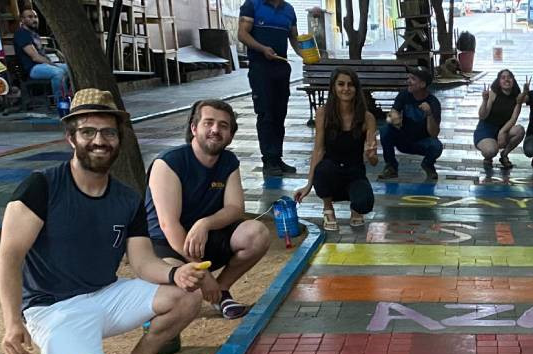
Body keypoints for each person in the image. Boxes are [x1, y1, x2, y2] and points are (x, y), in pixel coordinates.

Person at [0, 89, 205, 354]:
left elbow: (143, 261)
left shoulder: (126, 197)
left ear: (118, 139)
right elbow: (10, 256)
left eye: (108, 132)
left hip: (106, 294)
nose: (99, 140)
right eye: (88, 131)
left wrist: (176, 274)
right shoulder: (41, 186)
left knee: (189, 296)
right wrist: (12, 322)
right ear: (71, 138)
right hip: (53, 306)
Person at [145, 99, 272, 324]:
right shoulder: (168, 163)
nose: (215, 130)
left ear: (230, 135)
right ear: (194, 128)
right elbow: (168, 225)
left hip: (205, 239)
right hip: (167, 244)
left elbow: (235, 208)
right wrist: (203, 276)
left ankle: (221, 293)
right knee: (187, 289)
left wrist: (205, 223)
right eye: (209, 123)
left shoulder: (228, 161)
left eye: (223, 126)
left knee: (257, 233)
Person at [295, 68, 379, 231]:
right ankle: (328, 208)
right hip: (331, 170)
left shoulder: (367, 117)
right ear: (333, 87)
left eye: (350, 85)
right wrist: (308, 185)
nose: (346, 89)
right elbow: (318, 150)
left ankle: (356, 208)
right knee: (323, 169)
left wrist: (371, 155)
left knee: (365, 203)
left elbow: (374, 162)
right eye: (341, 84)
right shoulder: (323, 113)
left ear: (356, 88)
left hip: (355, 172)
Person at [238, 0, 304, 177]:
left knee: (279, 113)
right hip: (261, 68)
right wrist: (262, 49)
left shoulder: (289, 10)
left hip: (281, 67)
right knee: (266, 114)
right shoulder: (252, 5)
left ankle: (277, 157)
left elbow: (294, 39)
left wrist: (307, 55)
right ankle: (268, 160)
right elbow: (242, 34)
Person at [378, 66, 443, 182]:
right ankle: (391, 166)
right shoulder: (404, 95)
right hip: (403, 139)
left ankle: (428, 165)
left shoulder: (433, 102)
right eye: (408, 78)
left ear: (422, 84)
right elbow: (392, 114)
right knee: (385, 130)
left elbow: (434, 133)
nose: (408, 81)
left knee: (436, 146)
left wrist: (429, 114)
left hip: (422, 142)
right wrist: (393, 118)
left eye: (412, 79)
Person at [13, 7, 72, 104]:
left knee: (70, 68)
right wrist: (52, 64)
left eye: (35, 17)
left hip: (41, 65)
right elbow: (35, 57)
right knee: (58, 72)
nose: (34, 19)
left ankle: (72, 97)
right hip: (32, 68)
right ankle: (61, 102)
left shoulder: (33, 33)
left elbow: (40, 50)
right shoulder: (22, 34)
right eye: (30, 17)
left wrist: (55, 50)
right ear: (22, 20)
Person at [475, 69, 525, 171]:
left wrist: (502, 132)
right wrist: (484, 100)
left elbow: (513, 118)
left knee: (519, 130)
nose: (506, 80)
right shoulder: (493, 93)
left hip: (504, 128)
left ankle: (504, 154)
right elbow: (482, 116)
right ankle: (488, 156)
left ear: (513, 80)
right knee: (491, 151)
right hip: (486, 128)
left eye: (509, 77)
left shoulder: (517, 97)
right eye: (503, 78)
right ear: (498, 81)